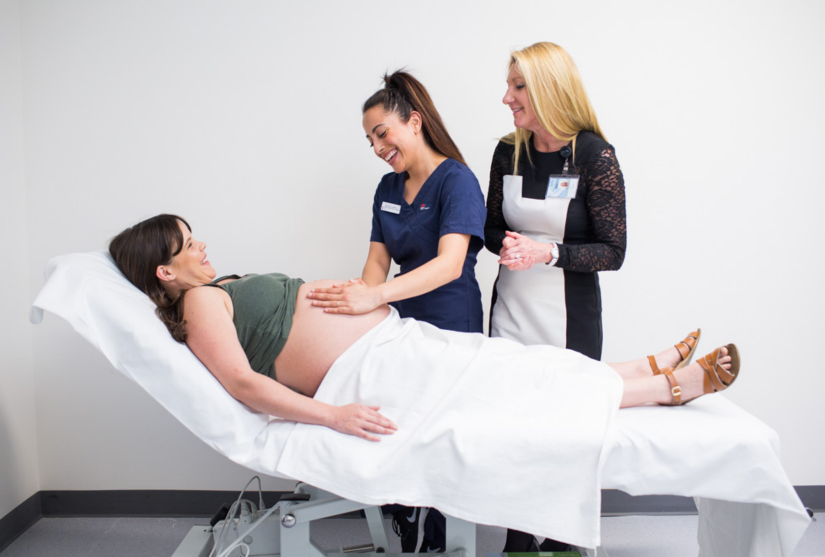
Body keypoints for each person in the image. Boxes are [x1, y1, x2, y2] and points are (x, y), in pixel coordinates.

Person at [109, 214, 740, 549]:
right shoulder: (196, 305)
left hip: (393, 345)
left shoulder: (217, 290)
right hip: (373, 371)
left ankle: (642, 368)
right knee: (516, 385)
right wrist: (334, 417)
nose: (203, 247)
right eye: (188, 245)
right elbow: (244, 385)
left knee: (520, 367)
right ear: (164, 272)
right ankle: (665, 387)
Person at [304, 70, 487, 551]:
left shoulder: (457, 180)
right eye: (369, 140)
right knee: (400, 424)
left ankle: (443, 540)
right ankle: (405, 517)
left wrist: (374, 296)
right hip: (400, 324)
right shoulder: (387, 189)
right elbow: (375, 268)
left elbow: (450, 265)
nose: (377, 146)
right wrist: (348, 311)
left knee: (444, 433)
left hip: (452, 320)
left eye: (381, 132)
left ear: (415, 122)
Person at [484, 42, 628, 552]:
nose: (507, 97)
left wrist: (547, 253)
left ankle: (565, 540)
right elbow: (490, 229)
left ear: (548, 89)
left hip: (570, 320)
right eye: (509, 85)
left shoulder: (594, 155)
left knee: (565, 435)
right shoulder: (508, 150)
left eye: (518, 87)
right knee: (514, 430)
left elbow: (613, 251)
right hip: (511, 314)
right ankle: (517, 540)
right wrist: (510, 247)